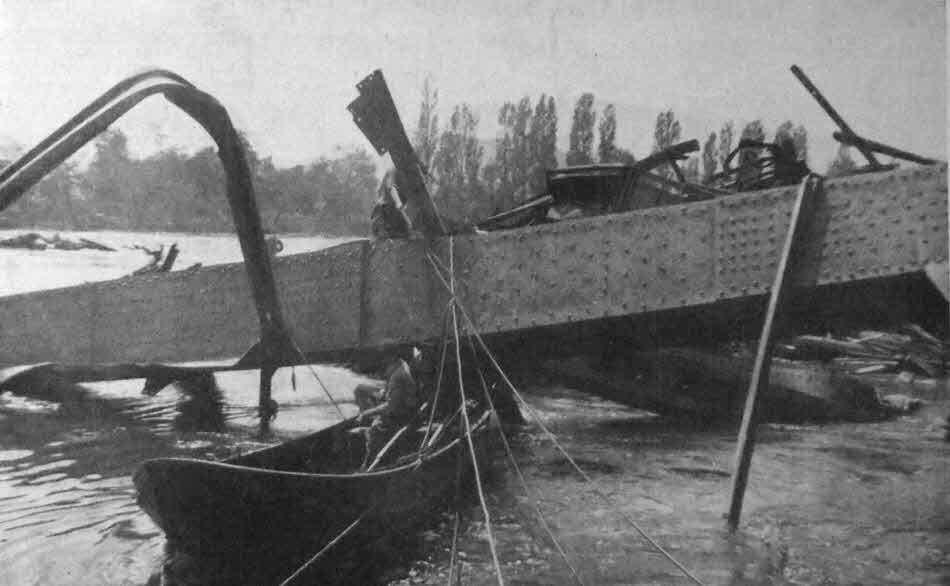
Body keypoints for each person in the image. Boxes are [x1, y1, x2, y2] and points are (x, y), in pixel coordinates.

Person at [354, 348, 424, 469]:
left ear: (390, 360)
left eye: (385, 363)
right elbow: (392, 391)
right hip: (399, 402)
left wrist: (366, 413)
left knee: (375, 430)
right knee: (360, 389)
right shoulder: (400, 364)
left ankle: (368, 464)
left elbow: (391, 406)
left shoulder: (398, 376)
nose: (383, 367)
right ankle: (370, 421)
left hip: (402, 414)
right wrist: (384, 392)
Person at [371, 169, 413, 239]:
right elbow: (390, 188)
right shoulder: (392, 173)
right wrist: (398, 203)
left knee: (406, 227)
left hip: (395, 208)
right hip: (389, 204)